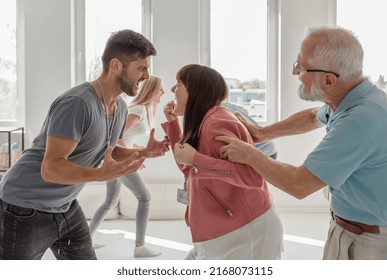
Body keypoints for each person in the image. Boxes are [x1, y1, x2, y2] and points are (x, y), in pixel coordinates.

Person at [217, 26, 387, 260]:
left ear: (328, 80)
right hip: (350, 229)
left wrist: (248, 153)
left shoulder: (360, 121)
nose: (296, 72)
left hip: (370, 242)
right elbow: (312, 117)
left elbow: (299, 184)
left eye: (301, 67)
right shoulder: (353, 98)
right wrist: (262, 132)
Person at [0, 29, 169, 260]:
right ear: (116, 65)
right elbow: (51, 168)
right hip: (25, 206)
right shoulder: (77, 103)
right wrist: (101, 174)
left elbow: (110, 150)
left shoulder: (118, 107)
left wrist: (145, 152)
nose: (146, 76)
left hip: (66, 205)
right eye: (141, 68)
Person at [162, 64, 283, 260]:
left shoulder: (217, 125)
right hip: (222, 229)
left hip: (244, 232)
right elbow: (189, 167)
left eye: (179, 83)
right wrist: (173, 125)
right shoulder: (205, 121)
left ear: (195, 90)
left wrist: (195, 158)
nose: (172, 90)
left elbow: (253, 177)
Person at [89, 76, 164, 258]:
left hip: (119, 157)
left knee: (110, 201)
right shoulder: (138, 109)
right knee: (145, 197)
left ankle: (85, 241)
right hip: (119, 159)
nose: (163, 92)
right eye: (160, 89)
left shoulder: (145, 109)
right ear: (152, 90)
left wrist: (138, 149)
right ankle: (140, 247)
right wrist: (130, 158)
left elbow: (127, 138)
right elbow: (118, 135)